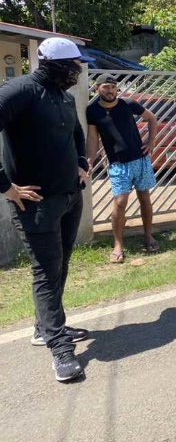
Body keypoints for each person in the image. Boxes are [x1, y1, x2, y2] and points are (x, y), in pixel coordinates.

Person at [0, 37, 94, 382]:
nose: (76, 71)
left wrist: (82, 162)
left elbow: (77, 132)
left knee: (61, 265)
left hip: (70, 197)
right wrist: (5, 187)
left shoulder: (65, 98)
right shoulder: (19, 91)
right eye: (71, 65)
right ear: (51, 65)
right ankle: (60, 348)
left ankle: (44, 328)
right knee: (45, 271)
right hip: (35, 204)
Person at [86, 75, 159, 263]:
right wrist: (89, 159)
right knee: (119, 202)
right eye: (105, 87)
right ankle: (118, 244)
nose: (110, 90)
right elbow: (93, 137)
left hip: (140, 160)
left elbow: (151, 118)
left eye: (113, 87)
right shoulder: (92, 111)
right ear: (97, 89)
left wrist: (150, 142)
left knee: (144, 197)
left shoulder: (128, 104)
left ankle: (148, 236)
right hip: (118, 164)